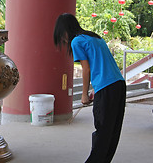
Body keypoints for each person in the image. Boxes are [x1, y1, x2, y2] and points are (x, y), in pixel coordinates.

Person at [53, 13, 126, 163]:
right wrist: (96, 88)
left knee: (102, 131)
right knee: (112, 130)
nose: (63, 39)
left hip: (107, 88)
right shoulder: (95, 37)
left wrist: (84, 94)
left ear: (65, 31)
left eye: (61, 35)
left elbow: (86, 69)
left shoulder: (76, 41)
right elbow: (102, 64)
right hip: (118, 84)